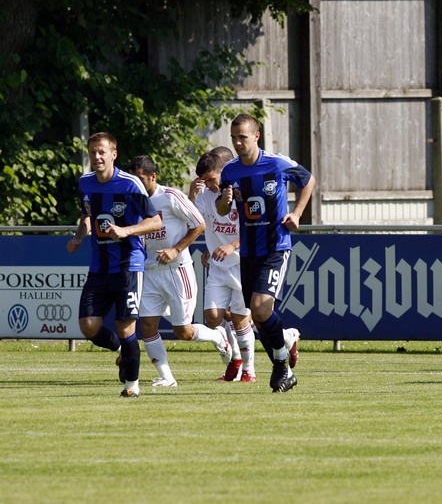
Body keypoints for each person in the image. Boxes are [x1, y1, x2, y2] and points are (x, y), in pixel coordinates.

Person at [217, 113, 315, 393]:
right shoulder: (230, 171)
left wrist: (297, 213)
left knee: (260, 307)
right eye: (233, 138)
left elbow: (308, 180)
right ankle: (284, 358)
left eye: (242, 137)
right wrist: (224, 201)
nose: (237, 142)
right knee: (259, 316)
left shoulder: (276, 163)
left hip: (275, 246)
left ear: (256, 136)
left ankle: (281, 364)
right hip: (249, 251)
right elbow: (222, 209)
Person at [191, 148, 301, 382]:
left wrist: (231, 245)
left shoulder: (243, 191)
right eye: (204, 181)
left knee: (244, 317)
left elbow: (254, 229)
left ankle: (248, 370)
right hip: (219, 265)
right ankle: (278, 340)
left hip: (243, 260)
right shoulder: (209, 195)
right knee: (213, 317)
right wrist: (210, 247)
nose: (208, 184)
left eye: (211, 179)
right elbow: (194, 221)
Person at [66, 133, 162, 398]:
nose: (97, 157)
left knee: (126, 327)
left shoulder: (130, 184)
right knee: (88, 326)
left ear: (113, 154)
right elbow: (87, 215)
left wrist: (126, 230)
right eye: (93, 152)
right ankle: (121, 350)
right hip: (99, 267)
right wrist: (78, 237)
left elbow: (155, 221)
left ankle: (131, 387)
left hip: (128, 265)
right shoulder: (85, 182)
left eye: (102, 152)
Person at [127, 155, 233, 387]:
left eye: (140, 179)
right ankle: (167, 377)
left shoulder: (170, 196)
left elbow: (199, 224)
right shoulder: (132, 200)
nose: (136, 184)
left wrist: (175, 249)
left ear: (152, 177)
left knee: (182, 331)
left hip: (177, 270)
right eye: (133, 179)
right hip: (150, 270)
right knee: (147, 325)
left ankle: (218, 336)